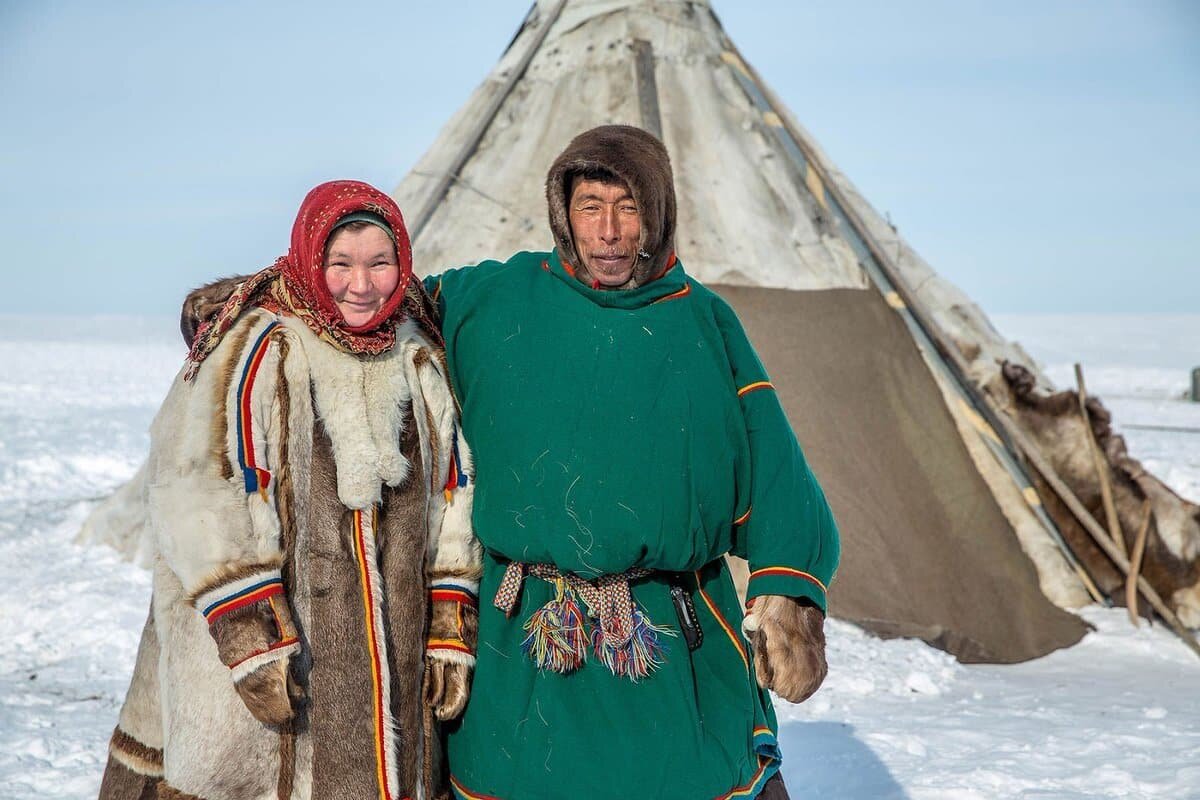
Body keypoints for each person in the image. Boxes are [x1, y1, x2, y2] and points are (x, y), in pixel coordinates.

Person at [424, 125, 840, 800]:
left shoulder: (704, 321)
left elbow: (774, 465)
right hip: (528, 638)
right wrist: (265, 295)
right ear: (564, 214)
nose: (610, 230)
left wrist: (789, 593)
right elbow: (372, 303)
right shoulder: (494, 300)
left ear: (659, 212)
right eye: (591, 205)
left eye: (628, 207)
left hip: (670, 639)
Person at [96, 180, 481, 800]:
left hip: (390, 655)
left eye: (380, 263)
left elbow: (454, 493)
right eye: (342, 264)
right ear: (311, 258)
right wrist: (251, 637)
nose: (362, 284)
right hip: (263, 661)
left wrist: (447, 623)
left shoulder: (418, 356)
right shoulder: (258, 348)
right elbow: (202, 488)